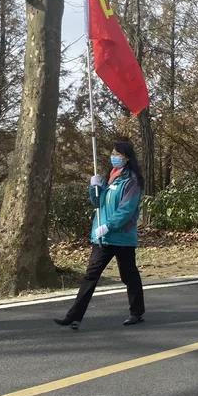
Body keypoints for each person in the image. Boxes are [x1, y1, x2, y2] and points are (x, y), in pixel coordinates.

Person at [55, 141, 146, 330]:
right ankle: (74, 317)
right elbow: (98, 203)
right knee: (91, 275)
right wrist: (94, 187)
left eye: (117, 154)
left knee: (128, 275)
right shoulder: (110, 177)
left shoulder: (132, 181)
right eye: (113, 153)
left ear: (127, 157)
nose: (114, 157)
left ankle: (136, 312)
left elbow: (126, 210)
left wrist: (108, 226)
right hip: (103, 238)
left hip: (122, 237)